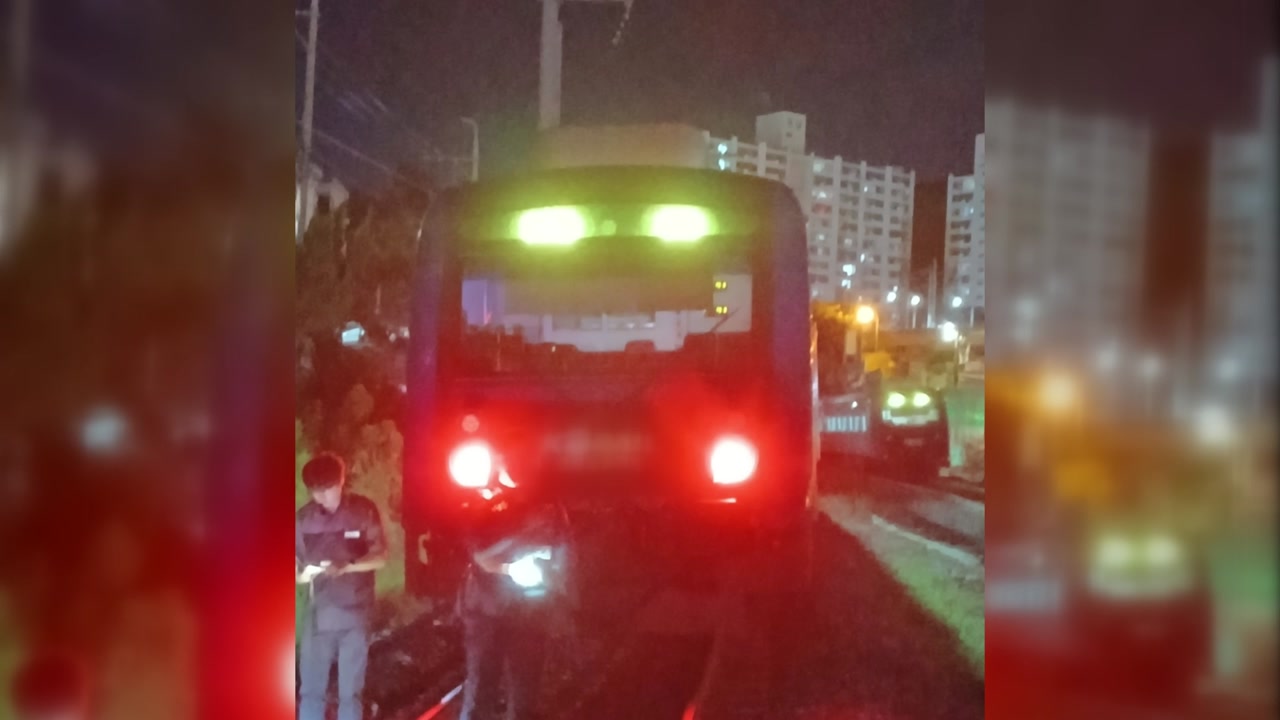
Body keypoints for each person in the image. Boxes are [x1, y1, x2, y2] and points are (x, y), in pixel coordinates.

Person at [458, 498, 575, 720]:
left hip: (528, 614)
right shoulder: (485, 506)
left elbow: (563, 566)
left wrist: (551, 577)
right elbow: (480, 556)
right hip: (487, 609)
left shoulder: (553, 512)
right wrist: (511, 568)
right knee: (482, 686)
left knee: (523, 688)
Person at [296, 452, 388, 720]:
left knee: (351, 694)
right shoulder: (303, 519)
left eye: (326, 490)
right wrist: (300, 574)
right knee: (311, 692)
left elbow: (380, 557)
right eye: (315, 491)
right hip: (318, 617)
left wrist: (347, 565)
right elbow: (296, 563)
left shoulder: (362, 511)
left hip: (355, 616)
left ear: (341, 482)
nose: (320, 498)